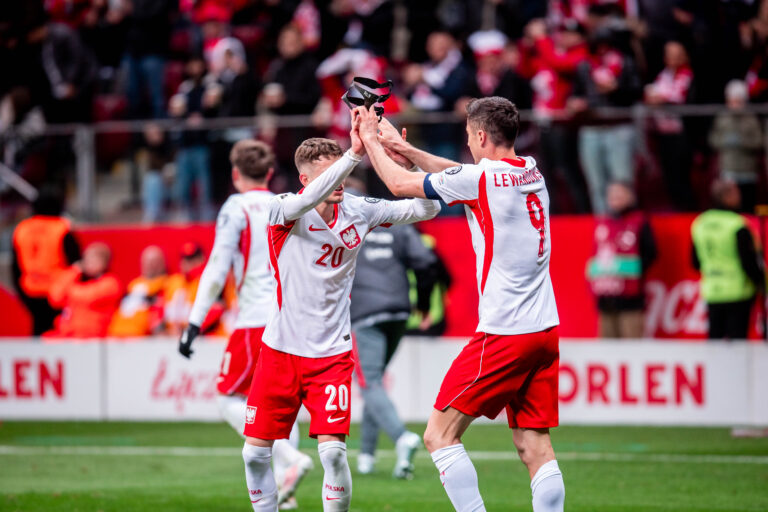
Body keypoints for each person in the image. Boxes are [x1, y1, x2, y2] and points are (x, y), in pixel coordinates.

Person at [356, 97, 564, 512]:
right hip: (545, 329)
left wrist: (369, 140)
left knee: (439, 435)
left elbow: (399, 185)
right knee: (532, 443)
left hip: (505, 332)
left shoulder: (482, 181)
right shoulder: (531, 171)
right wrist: (409, 150)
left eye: (470, 137)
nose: (468, 144)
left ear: (482, 136)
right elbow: (462, 174)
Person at [240, 120, 440, 510]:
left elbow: (427, 208)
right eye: (329, 175)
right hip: (280, 350)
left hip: (331, 354)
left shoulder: (359, 209)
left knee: (332, 454)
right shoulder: (283, 209)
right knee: (253, 455)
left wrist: (409, 163)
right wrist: (353, 153)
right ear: (304, 178)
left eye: (344, 173)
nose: (340, 182)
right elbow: (304, 200)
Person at [177, 139, 313, 510]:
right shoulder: (285, 201)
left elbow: (218, 265)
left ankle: (290, 461)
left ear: (235, 174)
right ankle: (286, 493)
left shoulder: (235, 207)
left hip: (256, 318)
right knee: (284, 406)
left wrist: (194, 321)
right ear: (270, 173)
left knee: (226, 399)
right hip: (295, 318)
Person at [348, 180, 439, 479]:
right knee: (374, 383)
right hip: (399, 312)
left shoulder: (342, 221)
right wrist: (423, 304)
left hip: (363, 313)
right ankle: (367, 456)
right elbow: (426, 261)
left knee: (369, 382)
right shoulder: (393, 221)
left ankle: (402, 437)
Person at [692, 180, 764, 340]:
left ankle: (716, 367)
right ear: (728, 196)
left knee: (715, 341)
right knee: (737, 343)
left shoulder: (700, 222)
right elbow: (748, 262)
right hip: (739, 291)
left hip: (712, 290)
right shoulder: (736, 224)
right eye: (736, 193)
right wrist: (761, 283)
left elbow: (695, 262)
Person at [586, 182, 657, 338]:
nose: (614, 198)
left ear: (630, 196)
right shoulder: (604, 221)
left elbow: (651, 253)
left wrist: (629, 270)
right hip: (605, 297)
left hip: (630, 299)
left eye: (619, 194)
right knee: (607, 351)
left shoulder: (639, 221)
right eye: (611, 195)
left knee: (631, 348)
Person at [11, 190, 81, 335]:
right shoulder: (62, 228)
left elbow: (15, 267)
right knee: (58, 334)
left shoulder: (22, 228)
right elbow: (76, 263)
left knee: (37, 332)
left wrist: (21, 291)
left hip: (29, 290)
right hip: (58, 292)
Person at [708, 80, 764, 214]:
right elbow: (713, 139)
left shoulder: (751, 118)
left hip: (748, 171)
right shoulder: (722, 118)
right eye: (732, 100)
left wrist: (743, 142)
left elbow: (760, 141)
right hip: (728, 169)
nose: (735, 105)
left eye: (738, 101)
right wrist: (725, 141)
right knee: (729, 207)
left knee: (748, 206)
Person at [46, 242, 122, 338]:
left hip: (95, 338)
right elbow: (55, 297)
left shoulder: (111, 282)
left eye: (93, 258)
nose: (88, 262)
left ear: (104, 261)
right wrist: (74, 270)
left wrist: (69, 290)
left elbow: (89, 297)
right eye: (86, 258)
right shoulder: (76, 278)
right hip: (68, 335)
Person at [162, 242, 233, 337]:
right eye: (186, 259)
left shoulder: (211, 282)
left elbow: (217, 308)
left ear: (202, 259)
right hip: (171, 335)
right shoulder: (172, 282)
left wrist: (191, 330)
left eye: (193, 259)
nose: (189, 264)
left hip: (200, 336)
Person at [108, 245, 168, 337]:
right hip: (116, 334)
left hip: (140, 338)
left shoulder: (167, 283)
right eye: (147, 261)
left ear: (163, 263)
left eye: (154, 261)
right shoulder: (133, 284)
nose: (150, 265)